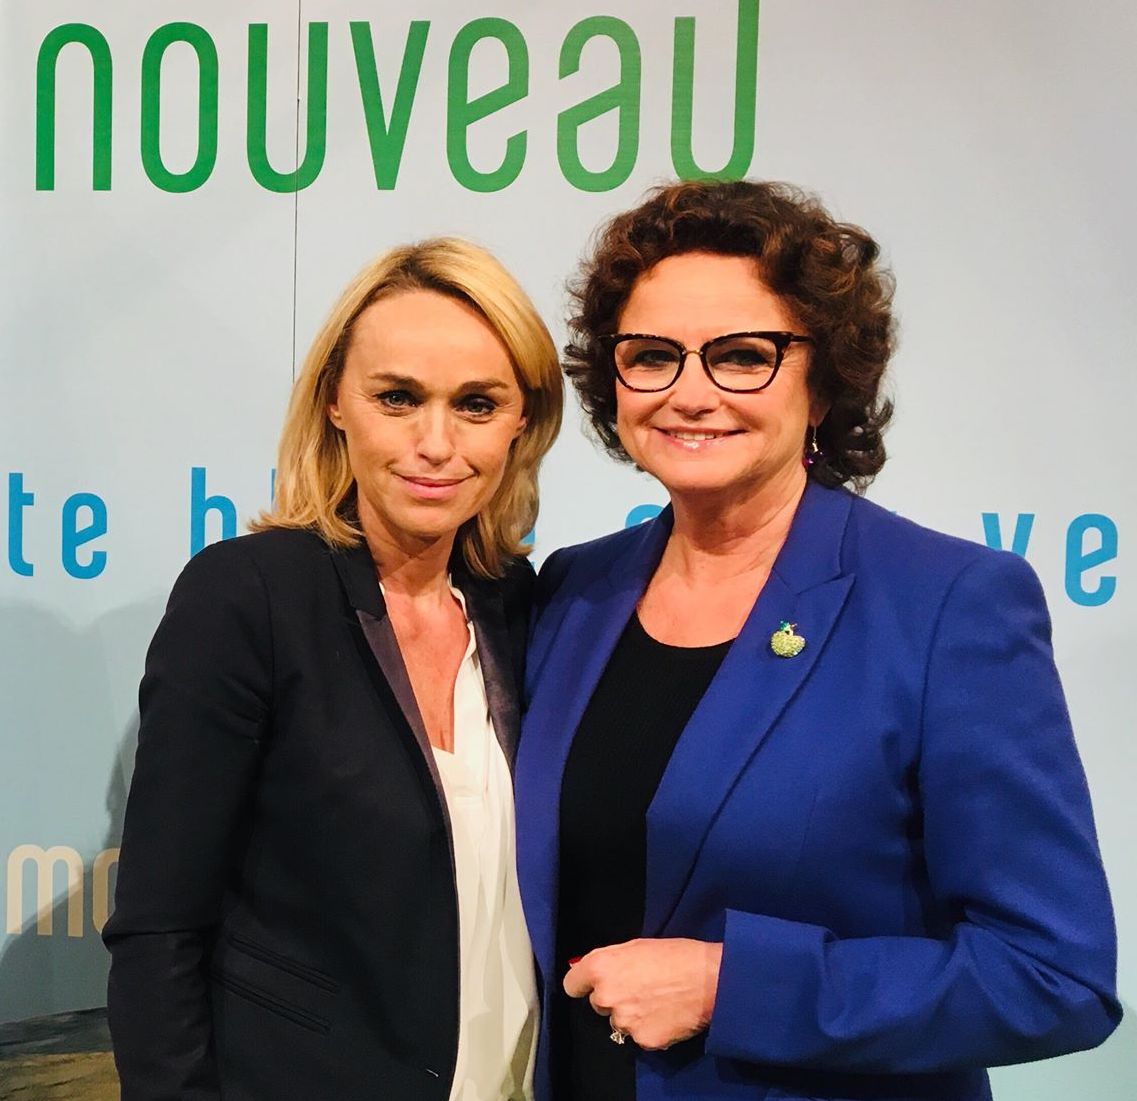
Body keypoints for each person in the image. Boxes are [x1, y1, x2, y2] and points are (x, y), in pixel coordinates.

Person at [514, 181, 1121, 1101]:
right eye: (651, 356)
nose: (689, 393)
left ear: (825, 377)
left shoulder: (947, 604)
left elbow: (1052, 974)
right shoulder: (573, 590)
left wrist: (733, 986)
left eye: (742, 356)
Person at [103, 238, 563, 1101]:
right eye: (398, 398)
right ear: (334, 402)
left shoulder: (521, 605)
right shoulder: (250, 595)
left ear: (522, 421)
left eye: (476, 403)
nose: (436, 443)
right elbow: (160, 926)